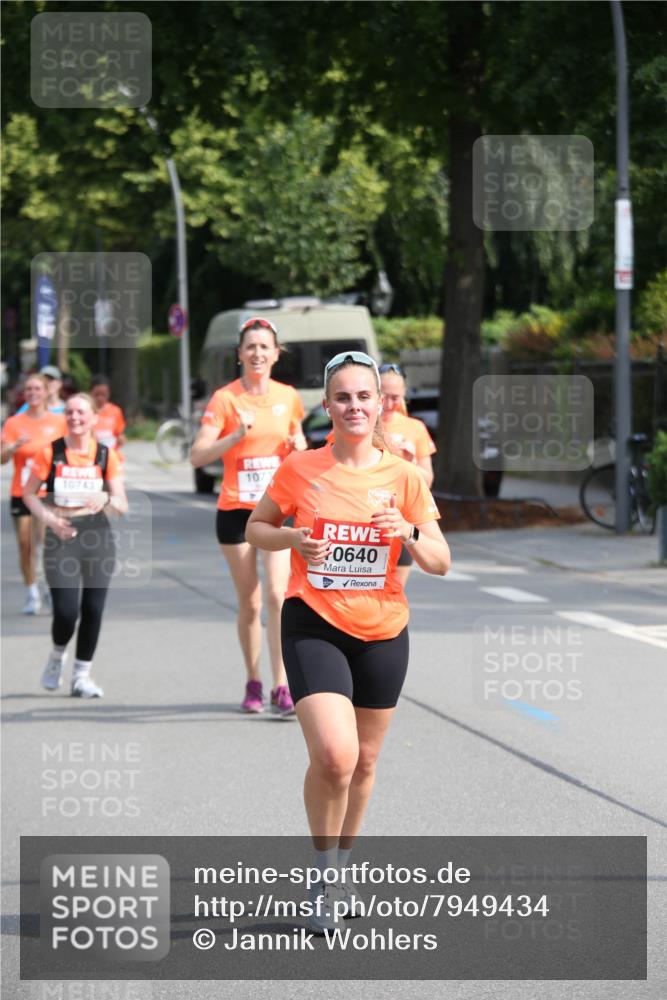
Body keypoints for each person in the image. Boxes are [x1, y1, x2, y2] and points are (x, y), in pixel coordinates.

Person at [246, 351, 450, 931]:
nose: (355, 406)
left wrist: (408, 532)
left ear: (381, 403)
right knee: (335, 756)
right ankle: (320, 870)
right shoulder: (300, 468)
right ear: (328, 405)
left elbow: (440, 560)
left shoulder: (404, 475)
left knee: (364, 764)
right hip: (314, 621)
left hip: (384, 630)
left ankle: (341, 869)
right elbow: (256, 528)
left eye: (365, 396)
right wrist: (291, 537)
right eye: (343, 397)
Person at [190, 316, 307, 717]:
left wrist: (299, 444)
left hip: (275, 510)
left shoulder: (288, 396)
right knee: (251, 602)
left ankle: (282, 685)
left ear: (276, 354)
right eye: (250, 347)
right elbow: (197, 455)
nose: (257, 353)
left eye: (264, 346)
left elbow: (299, 445)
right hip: (236, 510)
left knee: (278, 595)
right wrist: (236, 436)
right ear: (239, 355)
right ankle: (253, 680)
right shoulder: (225, 399)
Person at [22, 393, 128, 698]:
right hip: (61, 535)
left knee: (93, 609)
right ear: (64, 417)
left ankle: (82, 675)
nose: (75, 417)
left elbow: (121, 504)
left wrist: (106, 498)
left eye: (82, 412)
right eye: (69, 412)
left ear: (94, 418)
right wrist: (49, 520)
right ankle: (57, 656)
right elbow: (29, 494)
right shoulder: (50, 453)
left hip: (98, 537)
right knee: (66, 612)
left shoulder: (106, 455)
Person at [1, 374, 66, 613]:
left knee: (48, 544)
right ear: (24, 393)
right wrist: (11, 447)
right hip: (21, 491)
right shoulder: (13, 423)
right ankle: (31, 592)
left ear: (46, 391)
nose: (33, 392)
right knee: (25, 544)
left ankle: (48, 586)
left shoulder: (59, 422)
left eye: (37, 388)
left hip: (48, 492)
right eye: (28, 389)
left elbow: (69, 453)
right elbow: (1, 460)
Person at [378, 363, 437, 587]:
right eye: (384, 396)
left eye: (397, 397)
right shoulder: (357, 425)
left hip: (402, 521)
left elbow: (428, 480)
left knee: (394, 591)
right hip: (365, 519)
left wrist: (409, 462)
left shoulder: (415, 428)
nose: (390, 404)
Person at [90, 375, 127, 457]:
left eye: (104, 395)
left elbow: (120, 434)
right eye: (96, 395)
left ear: (109, 394)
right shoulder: (86, 411)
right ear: (90, 392)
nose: (100, 398)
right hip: (91, 456)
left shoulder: (115, 411)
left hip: (111, 455)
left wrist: (121, 439)